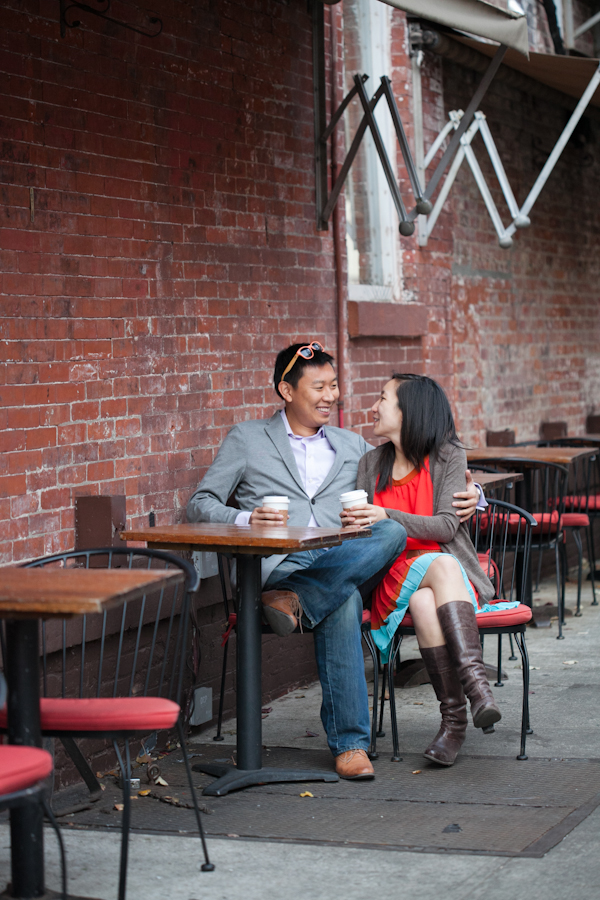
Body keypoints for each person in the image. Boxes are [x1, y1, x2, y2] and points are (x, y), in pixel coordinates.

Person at [187, 343, 481, 780]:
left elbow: (425, 464)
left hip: (347, 561)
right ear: (287, 390)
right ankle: (350, 746)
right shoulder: (247, 439)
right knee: (341, 601)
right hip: (279, 566)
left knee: (390, 529)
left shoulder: (353, 446)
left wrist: (476, 497)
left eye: (334, 385)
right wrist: (246, 517)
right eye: (319, 386)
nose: (332, 396)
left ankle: (299, 600)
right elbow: (200, 504)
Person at [341, 374, 518, 768]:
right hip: (391, 576)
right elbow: (369, 538)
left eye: (382, 398)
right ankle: (478, 690)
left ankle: (453, 722)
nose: (373, 407)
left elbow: (445, 527)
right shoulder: (370, 463)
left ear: (409, 411)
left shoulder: (448, 457)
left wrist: (386, 514)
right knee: (438, 563)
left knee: (426, 598)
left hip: (445, 584)